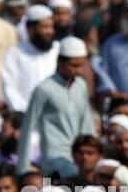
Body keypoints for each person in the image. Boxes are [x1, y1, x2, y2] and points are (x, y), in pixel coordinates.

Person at [16, 37, 93, 178]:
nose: (79, 70)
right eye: (74, 65)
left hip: (78, 156)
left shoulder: (81, 86)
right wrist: (22, 168)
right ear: (60, 62)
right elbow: (27, 128)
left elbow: (86, 123)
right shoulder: (44, 89)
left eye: (82, 65)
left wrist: (92, 153)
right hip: (54, 157)